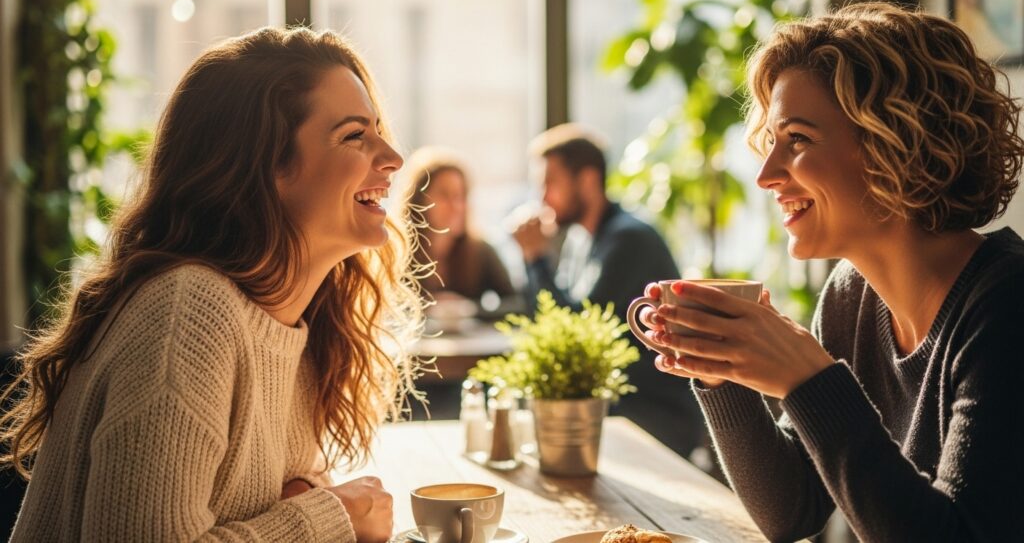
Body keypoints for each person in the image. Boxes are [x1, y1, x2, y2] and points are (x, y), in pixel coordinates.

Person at [1, 27, 424, 542]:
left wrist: (305, 500)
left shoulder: (298, 325)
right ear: (265, 167)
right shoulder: (187, 313)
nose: (393, 157)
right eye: (355, 136)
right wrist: (329, 516)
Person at [638, 2, 1024, 542]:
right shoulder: (851, 296)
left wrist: (809, 381)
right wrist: (720, 370)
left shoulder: (1006, 308)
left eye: (797, 139)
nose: (767, 175)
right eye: (771, 142)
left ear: (896, 143)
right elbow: (792, 511)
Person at [510, 124, 708, 459]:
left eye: (550, 183)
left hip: (653, 412)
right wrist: (535, 261)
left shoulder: (628, 239)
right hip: (611, 402)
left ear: (587, 180)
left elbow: (577, 337)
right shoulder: (578, 239)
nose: (542, 199)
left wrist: (536, 259)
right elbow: (548, 322)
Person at [402, 146, 515, 303]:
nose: (456, 205)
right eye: (444, 195)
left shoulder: (481, 251)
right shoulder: (397, 252)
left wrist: (471, 311)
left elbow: (514, 303)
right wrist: (430, 310)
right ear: (419, 199)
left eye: (460, 195)